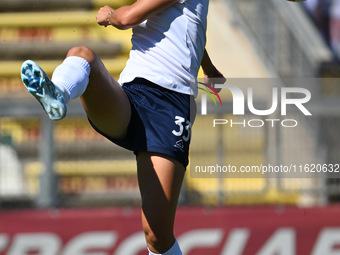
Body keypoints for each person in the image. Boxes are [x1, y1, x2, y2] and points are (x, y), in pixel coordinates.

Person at [20, 0, 225, 254]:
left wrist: (109, 14)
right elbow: (187, 23)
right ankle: (58, 94)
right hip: (131, 96)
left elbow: (127, 18)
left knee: (157, 236)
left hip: (169, 108)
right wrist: (208, 66)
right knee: (82, 55)